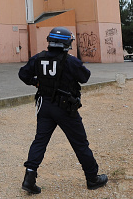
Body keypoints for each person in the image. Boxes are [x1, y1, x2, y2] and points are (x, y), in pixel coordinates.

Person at [18, 26, 108, 194]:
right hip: (65, 108)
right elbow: (85, 77)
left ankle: (29, 178)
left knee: (40, 141)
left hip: (44, 107)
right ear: (66, 43)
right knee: (80, 143)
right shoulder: (70, 60)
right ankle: (92, 178)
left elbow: (23, 74)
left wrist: (36, 82)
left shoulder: (38, 58)